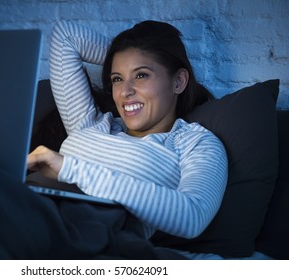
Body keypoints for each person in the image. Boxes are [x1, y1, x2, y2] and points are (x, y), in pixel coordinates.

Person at [27, 20, 228, 251]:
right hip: (30, 202)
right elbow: (66, 36)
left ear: (178, 81)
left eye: (141, 75)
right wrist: (126, 57)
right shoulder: (92, 123)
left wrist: (69, 168)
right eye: (117, 79)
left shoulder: (195, 143)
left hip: (90, 230)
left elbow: (193, 216)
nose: (125, 92)